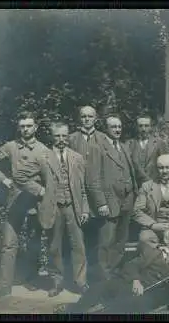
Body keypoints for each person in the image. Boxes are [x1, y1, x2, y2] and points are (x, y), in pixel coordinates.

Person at [14, 122, 90, 297]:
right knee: (54, 247)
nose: (61, 140)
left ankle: (81, 282)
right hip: (52, 208)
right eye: (57, 136)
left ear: (68, 136)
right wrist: (41, 190)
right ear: (52, 137)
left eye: (64, 136)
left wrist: (85, 209)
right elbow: (19, 175)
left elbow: (82, 187)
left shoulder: (77, 158)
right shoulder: (43, 157)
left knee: (78, 246)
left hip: (73, 207)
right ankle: (57, 282)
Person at [0, 110, 47, 299]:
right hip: (15, 201)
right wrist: (5, 181)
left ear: (35, 127)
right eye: (22, 126)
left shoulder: (43, 149)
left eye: (29, 126)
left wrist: (41, 191)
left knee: (34, 243)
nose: (25, 129)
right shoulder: (11, 147)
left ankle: (31, 279)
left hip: (36, 202)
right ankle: (3, 287)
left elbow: (49, 177)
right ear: (19, 128)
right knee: (9, 243)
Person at [59, 227, 169, 314]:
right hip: (133, 286)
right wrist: (136, 280)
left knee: (126, 304)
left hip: (152, 296)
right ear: (167, 240)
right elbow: (131, 266)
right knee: (101, 287)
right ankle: (73, 310)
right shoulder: (152, 253)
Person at [86, 114, 138, 280]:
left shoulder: (124, 147)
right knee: (106, 242)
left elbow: (133, 171)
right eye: (113, 127)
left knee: (120, 241)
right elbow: (92, 179)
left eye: (119, 126)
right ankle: (103, 278)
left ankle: (114, 273)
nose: (117, 130)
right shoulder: (97, 148)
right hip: (109, 202)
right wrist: (101, 203)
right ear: (106, 129)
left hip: (127, 202)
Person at [68, 105, 105, 272]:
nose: (87, 119)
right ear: (79, 118)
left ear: (95, 118)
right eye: (83, 116)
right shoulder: (71, 139)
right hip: (77, 196)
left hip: (98, 197)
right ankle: (79, 277)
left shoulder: (103, 139)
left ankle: (96, 276)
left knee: (97, 240)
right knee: (78, 240)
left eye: (90, 116)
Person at [128, 115, 169, 187]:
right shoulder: (130, 144)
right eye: (140, 126)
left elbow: (165, 165)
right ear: (136, 127)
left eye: (146, 126)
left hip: (155, 185)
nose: (143, 129)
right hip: (136, 187)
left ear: (151, 127)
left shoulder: (159, 143)